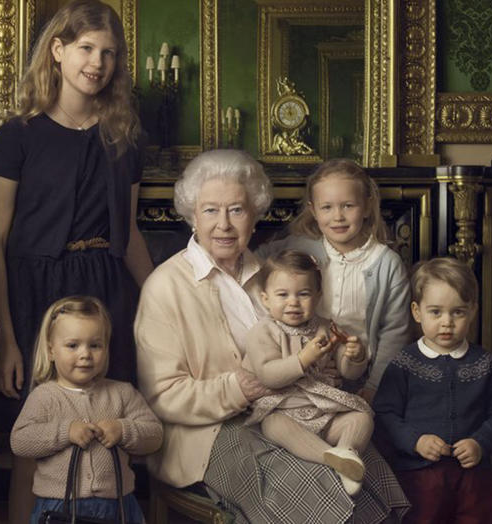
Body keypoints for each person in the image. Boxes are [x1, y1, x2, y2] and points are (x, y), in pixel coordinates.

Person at [135, 149, 409, 523]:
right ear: (192, 217)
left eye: (237, 210)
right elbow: (162, 396)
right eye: (211, 210)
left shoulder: (273, 276)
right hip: (208, 431)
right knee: (313, 483)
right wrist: (238, 389)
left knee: (365, 467)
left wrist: (326, 366)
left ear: (255, 215)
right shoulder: (164, 286)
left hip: (292, 408)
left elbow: (311, 343)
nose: (224, 225)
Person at [0, 0, 153, 522]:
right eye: (85, 48)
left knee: (108, 433)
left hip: (103, 291)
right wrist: (6, 338)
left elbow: (130, 236)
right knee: (33, 448)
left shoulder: (123, 139)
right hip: (35, 293)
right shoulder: (18, 135)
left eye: (108, 53)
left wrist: (163, 302)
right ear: (57, 50)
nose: (96, 63)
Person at [257, 158, 411, 401]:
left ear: (368, 206)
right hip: (305, 367)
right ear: (313, 210)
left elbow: (394, 335)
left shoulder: (387, 264)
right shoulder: (301, 247)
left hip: (359, 374)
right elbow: (256, 261)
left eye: (348, 205)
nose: (337, 216)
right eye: (326, 207)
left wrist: (373, 386)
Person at [374, 257, 492, 523]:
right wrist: (415, 440)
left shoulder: (484, 363)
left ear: (473, 310)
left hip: (473, 475)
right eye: (436, 312)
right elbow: (385, 414)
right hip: (419, 475)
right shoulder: (405, 363)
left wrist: (480, 442)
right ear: (417, 312)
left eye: (458, 312)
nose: (447, 322)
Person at [11, 296, 162, 524]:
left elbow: (154, 435)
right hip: (60, 505)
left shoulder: (122, 393)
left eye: (95, 345)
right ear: (51, 351)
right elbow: (20, 440)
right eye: (73, 345)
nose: (85, 354)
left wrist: (123, 430)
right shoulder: (44, 397)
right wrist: (65, 432)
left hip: (118, 506)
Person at [243, 249, 374, 496]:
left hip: (324, 411)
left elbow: (348, 374)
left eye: (303, 294)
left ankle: (346, 451)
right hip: (284, 408)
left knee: (362, 418)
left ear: (318, 296)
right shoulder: (263, 332)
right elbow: (268, 375)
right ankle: (333, 458)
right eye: (282, 295)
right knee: (273, 425)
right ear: (265, 298)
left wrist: (355, 357)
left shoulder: (327, 327)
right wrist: (303, 359)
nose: (293, 302)